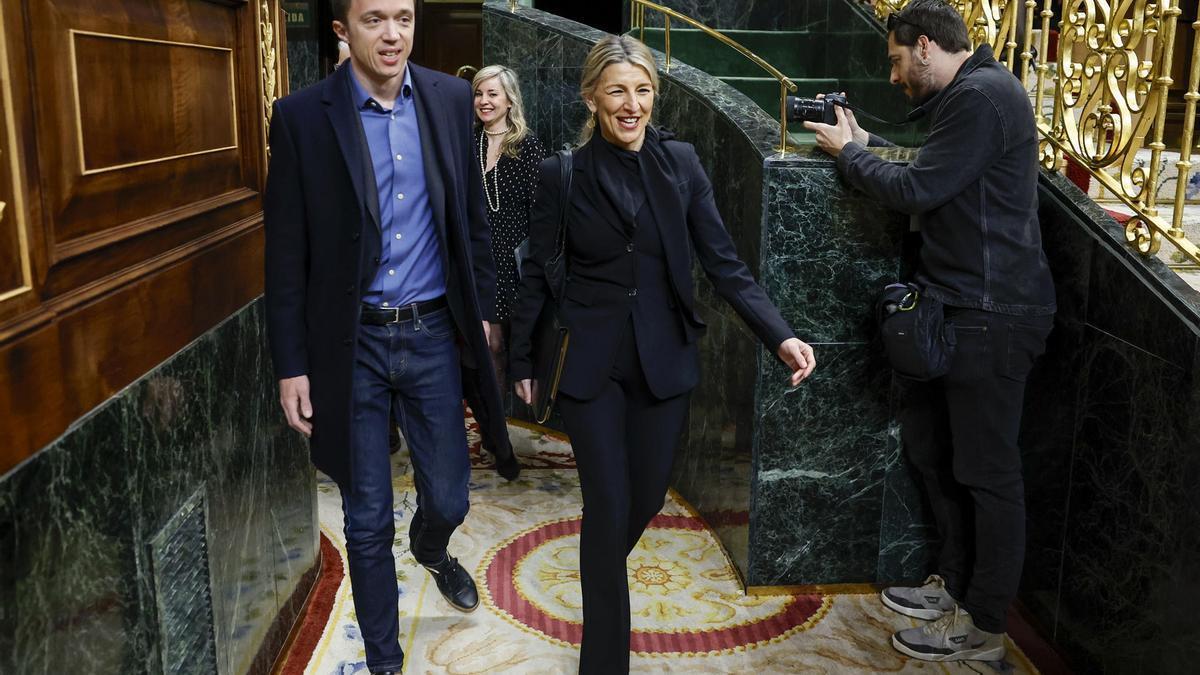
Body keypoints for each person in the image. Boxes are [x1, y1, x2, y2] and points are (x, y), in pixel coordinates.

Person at [508, 35, 817, 675]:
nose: (632, 104)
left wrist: (778, 333)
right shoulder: (560, 173)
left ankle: (598, 569)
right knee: (608, 506)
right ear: (592, 96)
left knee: (646, 497)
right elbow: (536, 272)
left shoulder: (682, 164)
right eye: (618, 90)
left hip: (664, 361)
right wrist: (521, 362)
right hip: (590, 366)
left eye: (643, 90)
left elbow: (725, 265)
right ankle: (604, 664)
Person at [263, 0, 513, 671]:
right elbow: (285, 254)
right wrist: (292, 364)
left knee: (450, 495)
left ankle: (432, 547)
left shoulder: (449, 98)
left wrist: (485, 309)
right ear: (343, 29)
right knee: (367, 515)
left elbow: (471, 221)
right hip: (353, 345)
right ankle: (382, 658)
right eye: (374, 18)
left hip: (431, 332)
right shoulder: (300, 119)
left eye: (403, 16)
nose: (394, 33)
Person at [804, 0, 1056, 663]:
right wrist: (861, 147)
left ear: (923, 46)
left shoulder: (984, 96)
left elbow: (919, 188)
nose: (892, 76)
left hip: (994, 316)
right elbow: (932, 174)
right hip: (959, 311)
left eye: (893, 60)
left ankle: (986, 624)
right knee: (938, 455)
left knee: (988, 475)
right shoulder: (972, 96)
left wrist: (850, 156)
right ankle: (955, 590)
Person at [461, 65, 545, 439]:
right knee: (490, 346)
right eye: (479, 94)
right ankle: (496, 433)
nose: (484, 101)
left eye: (493, 94)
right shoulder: (467, 144)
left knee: (517, 344)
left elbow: (541, 212)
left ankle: (520, 415)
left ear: (510, 100)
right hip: (480, 263)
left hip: (517, 264)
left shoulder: (528, 147)